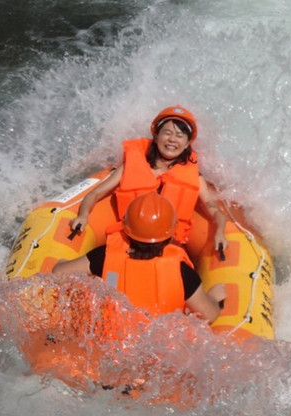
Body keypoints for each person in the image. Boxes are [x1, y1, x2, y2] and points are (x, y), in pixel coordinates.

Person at [69, 105, 228, 251]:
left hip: (167, 247)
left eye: (180, 135)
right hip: (129, 242)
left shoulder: (194, 175)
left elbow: (212, 208)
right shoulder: (132, 165)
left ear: (187, 144)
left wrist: (220, 232)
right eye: (167, 133)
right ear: (156, 136)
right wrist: (83, 215)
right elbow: (94, 194)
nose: (172, 139)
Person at [54, 192, 226, 324]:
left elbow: (58, 273)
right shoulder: (182, 272)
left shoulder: (105, 256)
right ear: (171, 233)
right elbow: (208, 315)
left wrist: (63, 264)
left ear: (126, 230)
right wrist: (214, 298)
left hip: (109, 342)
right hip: (153, 352)